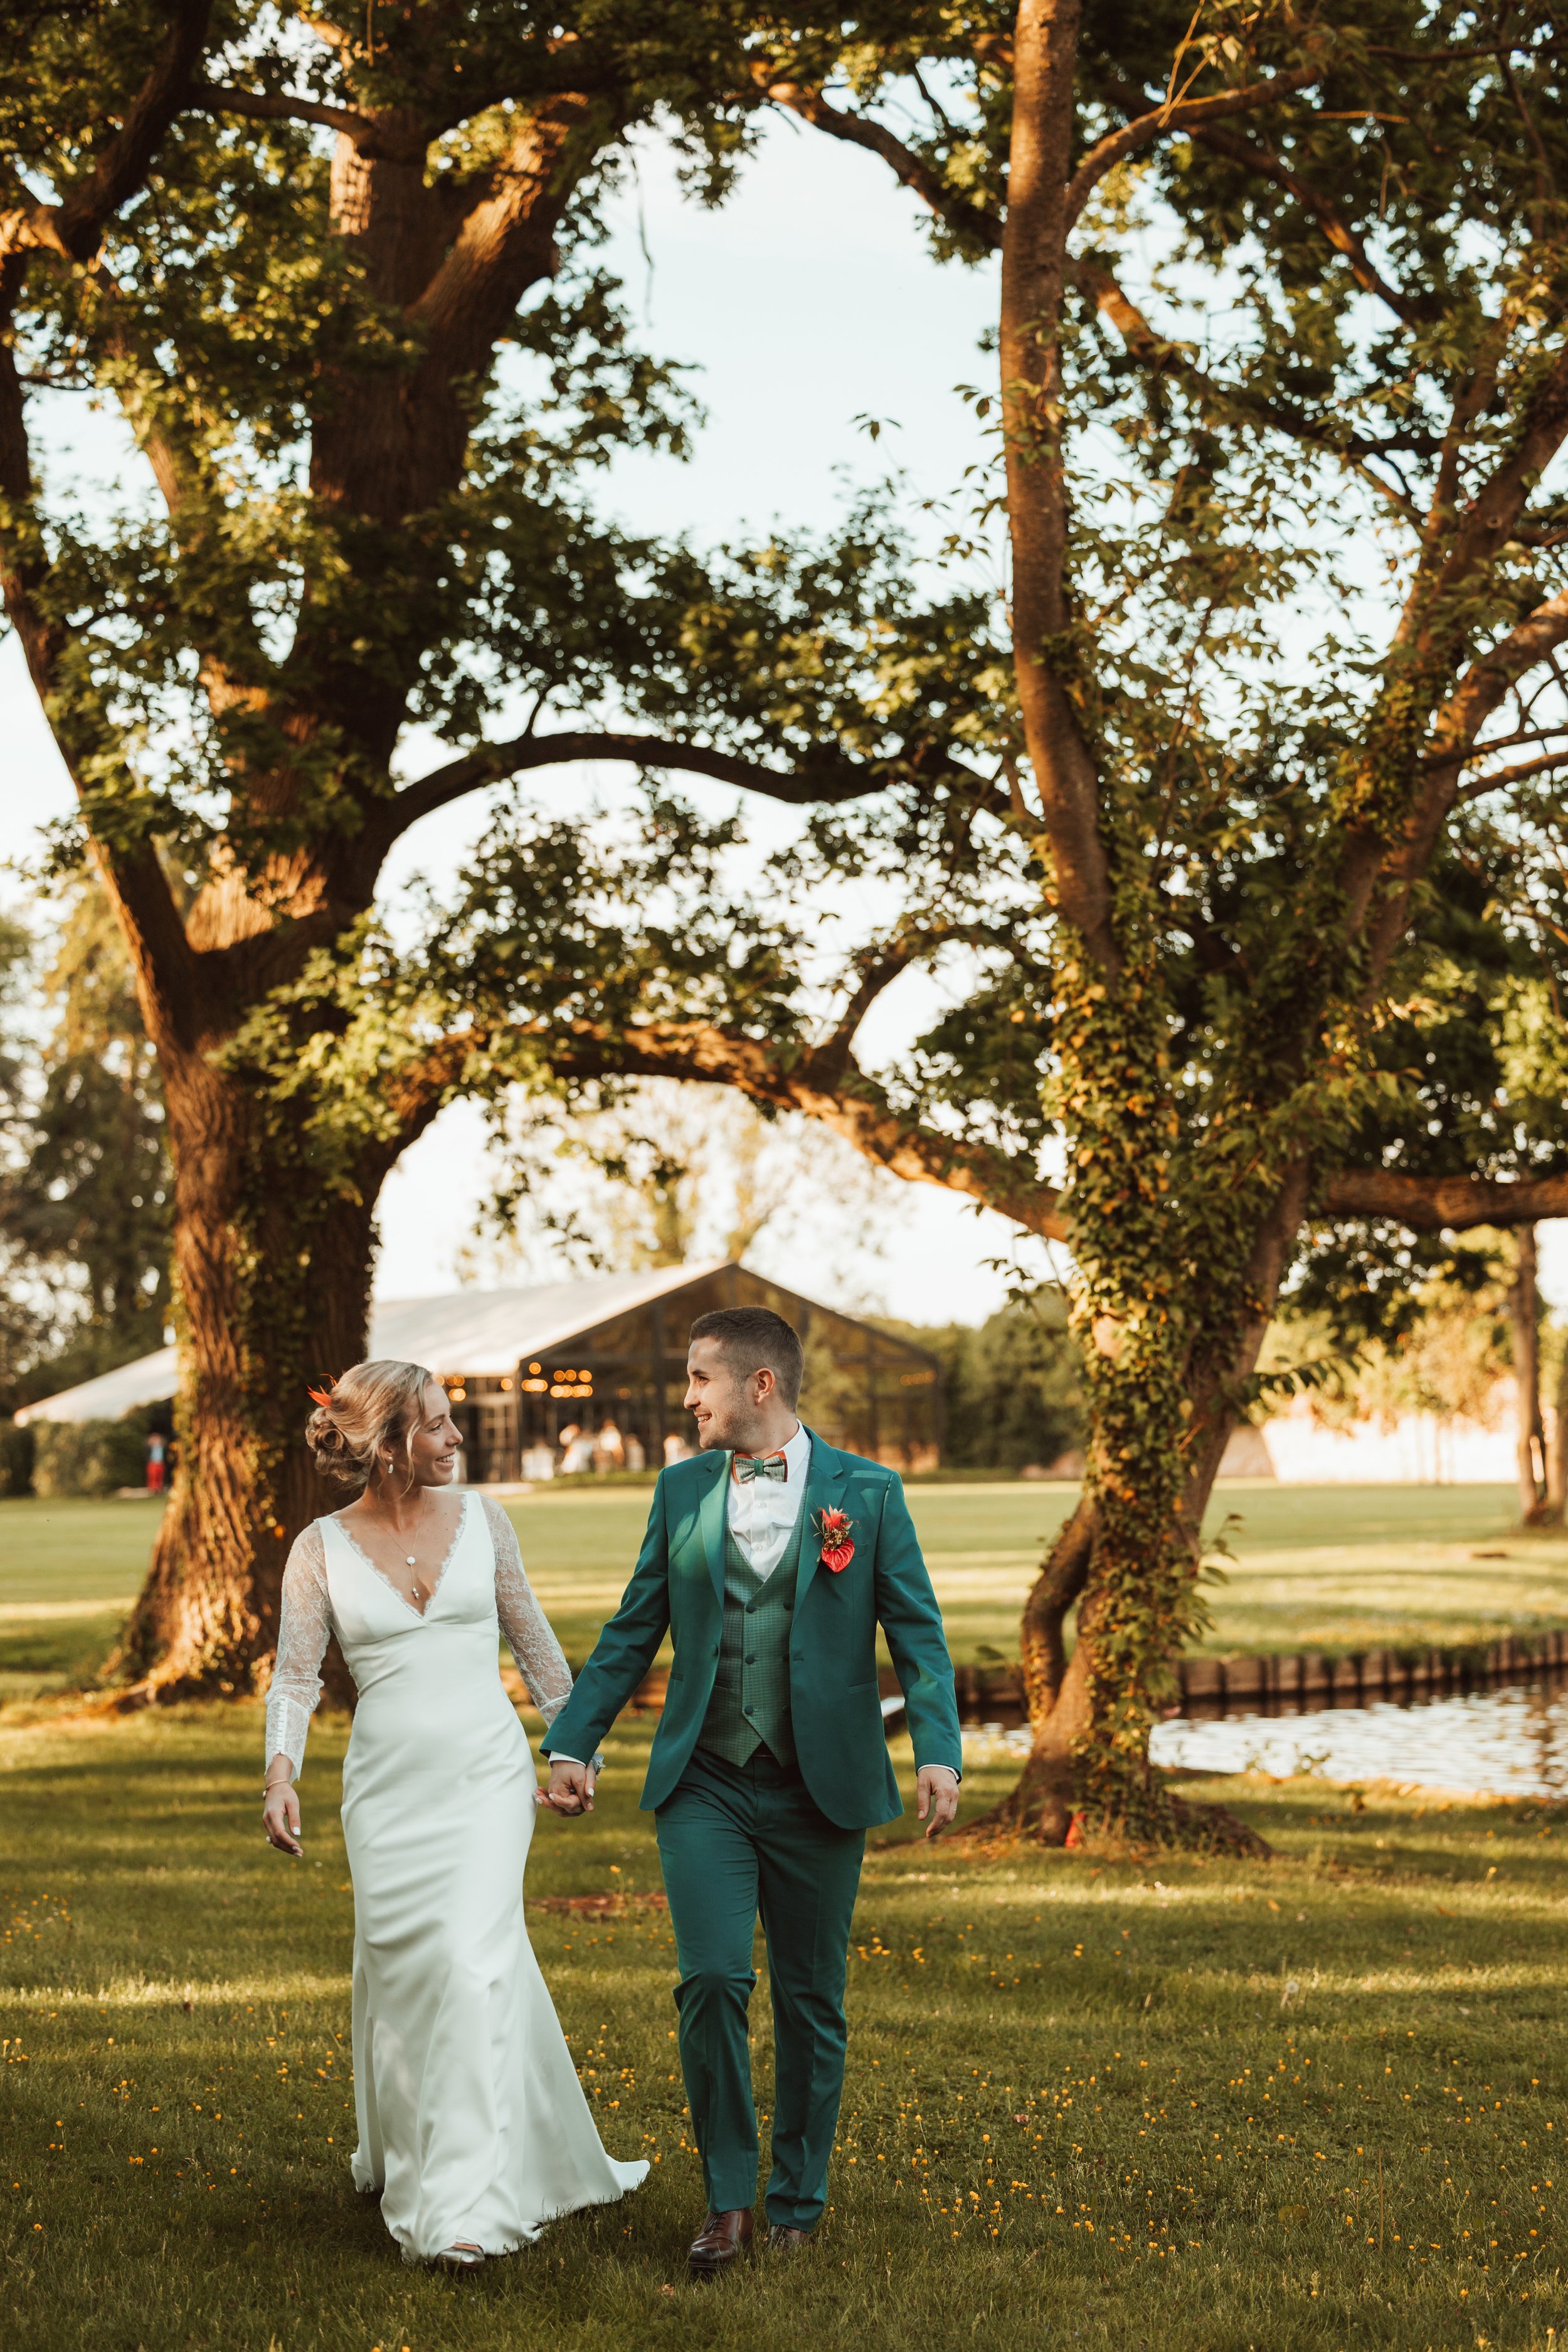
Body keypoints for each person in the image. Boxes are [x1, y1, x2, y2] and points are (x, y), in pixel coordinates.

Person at [543, 1305, 962, 2275]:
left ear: (758, 1384)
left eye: (701, 1378)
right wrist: (574, 1741)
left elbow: (919, 1634)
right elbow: (634, 1626)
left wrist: (936, 1750)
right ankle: (728, 2198)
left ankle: (796, 2201)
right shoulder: (681, 1488)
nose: (688, 1397)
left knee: (811, 1999)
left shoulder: (868, 1491)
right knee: (712, 1980)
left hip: (824, 1785)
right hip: (707, 1778)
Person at [262, 1360, 646, 2270]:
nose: (456, 1436)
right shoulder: (318, 1548)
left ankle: (462, 2209)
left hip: (486, 1780)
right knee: (411, 1980)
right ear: (390, 1443)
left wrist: (576, 1750)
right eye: (437, 1424)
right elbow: (295, 1677)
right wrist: (281, 1775)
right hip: (386, 1794)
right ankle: (421, 2148)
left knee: (474, 1965)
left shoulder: (485, 1520)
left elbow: (537, 1648)